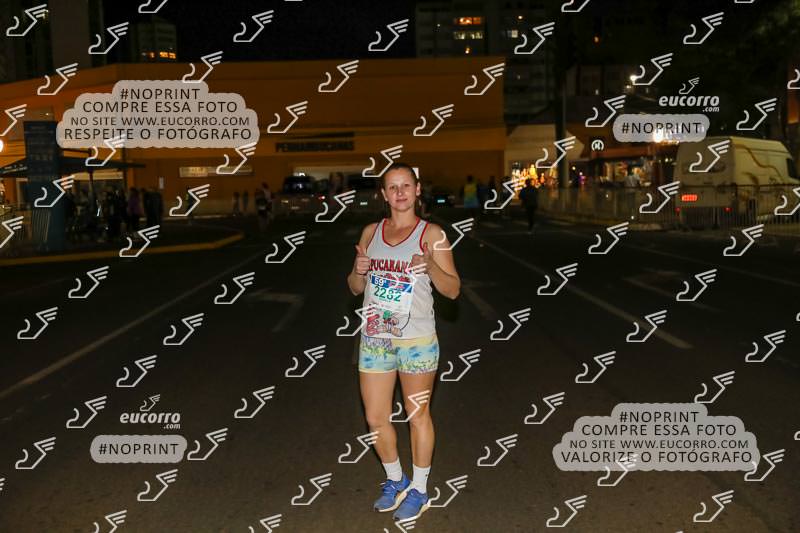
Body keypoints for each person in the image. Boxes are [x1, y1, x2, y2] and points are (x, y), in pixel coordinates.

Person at [347, 162, 460, 522]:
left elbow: (453, 290)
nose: (400, 193)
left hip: (417, 340)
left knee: (417, 415)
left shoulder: (432, 234)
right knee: (375, 417)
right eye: (392, 187)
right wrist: (358, 271)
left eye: (406, 185)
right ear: (383, 194)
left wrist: (430, 265)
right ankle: (396, 480)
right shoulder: (371, 232)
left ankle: (420, 490)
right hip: (375, 337)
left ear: (417, 189)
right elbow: (355, 287)